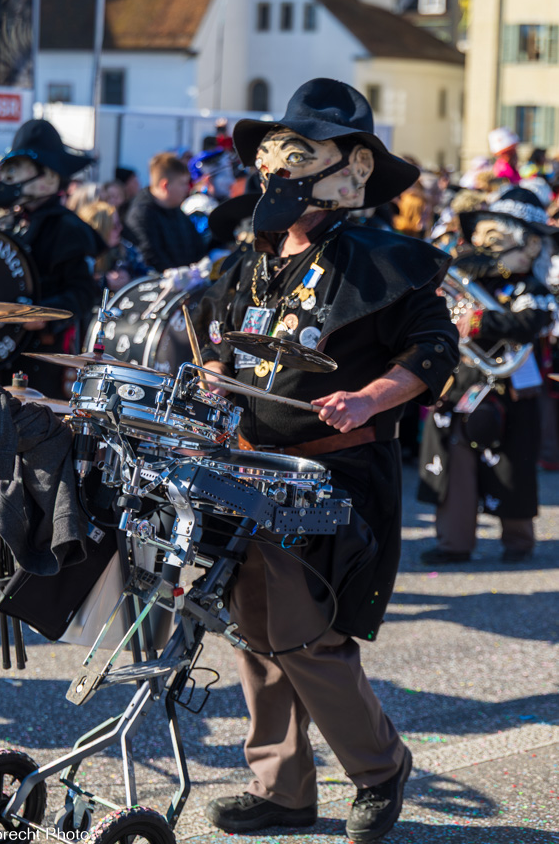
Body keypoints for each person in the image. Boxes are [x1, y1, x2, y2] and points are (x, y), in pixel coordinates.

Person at [197, 78, 458, 842]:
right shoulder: (253, 258)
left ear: (344, 170)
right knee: (254, 635)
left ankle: (379, 771)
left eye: (294, 159)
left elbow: (433, 350)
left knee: (306, 636)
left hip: (332, 473)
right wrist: (213, 373)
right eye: (273, 160)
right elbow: (215, 333)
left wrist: (373, 397)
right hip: (247, 467)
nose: (276, 174)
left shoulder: (383, 258)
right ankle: (282, 789)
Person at [419, 187, 557, 564]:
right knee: (455, 463)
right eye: (484, 234)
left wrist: (480, 321)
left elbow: (531, 321)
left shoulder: (533, 287)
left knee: (513, 465)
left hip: (510, 389)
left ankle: (518, 541)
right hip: (461, 383)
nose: (484, 243)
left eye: (498, 235)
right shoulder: (469, 277)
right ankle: (454, 542)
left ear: (531, 246)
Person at [0, 118, 103, 396]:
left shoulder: (68, 229)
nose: (8, 175)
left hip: (44, 357)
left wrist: (43, 314)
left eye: (17, 167)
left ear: (49, 176)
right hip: (3, 352)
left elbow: (83, 292)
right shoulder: (8, 223)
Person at [124, 152, 205, 272]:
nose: (187, 189)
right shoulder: (141, 215)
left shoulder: (176, 210)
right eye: (182, 184)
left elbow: (197, 247)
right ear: (165, 186)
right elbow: (151, 258)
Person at [78, 199, 148, 293]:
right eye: (115, 226)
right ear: (100, 231)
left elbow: (147, 274)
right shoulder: (80, 255)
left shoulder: (126, 249)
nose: (120, 228)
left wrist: (131, 279)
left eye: (120, 223)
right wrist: (103, 282)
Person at [182, 148, 236, 248]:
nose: (231, 181)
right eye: (224, 175)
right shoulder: (198, 207)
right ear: (208, 180)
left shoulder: (213, 202)